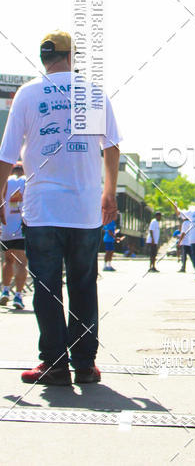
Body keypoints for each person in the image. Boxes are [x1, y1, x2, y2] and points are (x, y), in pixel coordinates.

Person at [0, 30, 120, 386]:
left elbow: (6, 156)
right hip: (85, 209)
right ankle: (84, 364)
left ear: (43, 58)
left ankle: (53, 364)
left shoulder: (28, 93)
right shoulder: (94, 93)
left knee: (47, 286)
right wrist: (109, 194)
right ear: (72, 56)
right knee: (84, 284)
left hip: (43, 209)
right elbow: (112, 147)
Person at [0, 162, 27, 310]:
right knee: (21, 262)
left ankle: (5, 290)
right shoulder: (27, 180)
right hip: (21, 228)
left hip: (6, 227)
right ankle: (18, 295)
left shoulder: (5, 181)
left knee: (7, 260)